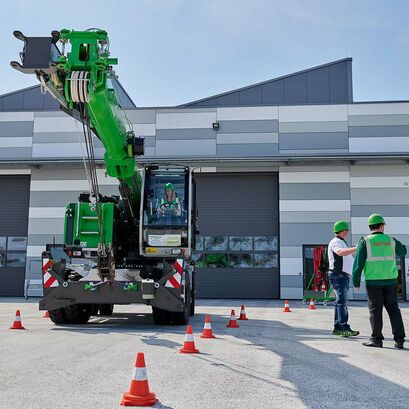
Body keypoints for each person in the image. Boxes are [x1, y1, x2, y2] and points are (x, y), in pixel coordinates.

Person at [353, 214, 406, 349]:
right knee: (394, 309)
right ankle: (399, 340)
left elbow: (358, 263)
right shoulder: (391, 240)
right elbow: (403, 251)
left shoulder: (365, 241)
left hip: (374, 282)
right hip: (391, 281)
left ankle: (377, 339)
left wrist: (356, 281)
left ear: (370, 227)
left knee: (375, 310)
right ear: (382, 226)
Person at [328, 220, 359, 337]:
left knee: (340, 302)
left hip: (341, 276)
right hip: (338, 276)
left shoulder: (341, 241)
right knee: (342, 302)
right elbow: (340, 252)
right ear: (343, 231)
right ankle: (343, 326)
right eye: (347, 230)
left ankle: (338, 327)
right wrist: (355, 248)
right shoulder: (336, 242)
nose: (348, 233)